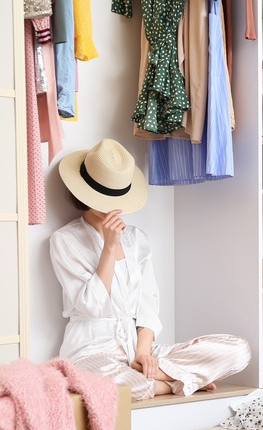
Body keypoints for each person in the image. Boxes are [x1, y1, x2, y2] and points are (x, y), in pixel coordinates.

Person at [50, 138, 251, 401]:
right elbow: (91, 306)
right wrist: (109, 249)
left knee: (239, 351)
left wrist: (143, 355)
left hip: (138, 350)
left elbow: (147, 306)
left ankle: (163, 377)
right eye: (102, 195)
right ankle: (180, 382)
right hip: (91, 353)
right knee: (129, 388)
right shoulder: (65, 240)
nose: (110, 203)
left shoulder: (138, 239)